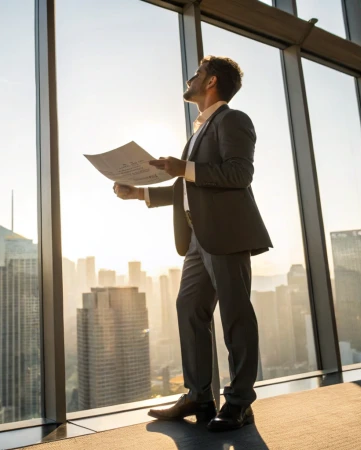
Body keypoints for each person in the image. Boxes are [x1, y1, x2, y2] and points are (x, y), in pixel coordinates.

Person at [113, 56, 271, 432]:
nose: (190, 78)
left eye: (197, 73)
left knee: (235, 314)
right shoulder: (199, 130)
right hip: (198, 238)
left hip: (226, 233)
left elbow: (239, 173)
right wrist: (140, 194)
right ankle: (199, 395)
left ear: (211, 81)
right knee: (190, 307)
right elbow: (191, 188)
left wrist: (181, 167)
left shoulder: (233, 119)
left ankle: (239, 402)